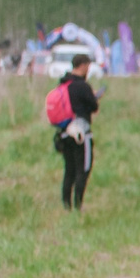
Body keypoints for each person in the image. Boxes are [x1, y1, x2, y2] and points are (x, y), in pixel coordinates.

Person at [45, 54, 99, 211]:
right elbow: (93, 106)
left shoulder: (64, 84)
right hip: (81, 133)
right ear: (82, 65)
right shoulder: (82, 86)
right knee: (83, 169)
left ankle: (66, 206)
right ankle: (78, 206)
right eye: (88, 66)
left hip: (64, 133)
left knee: (69, 170)